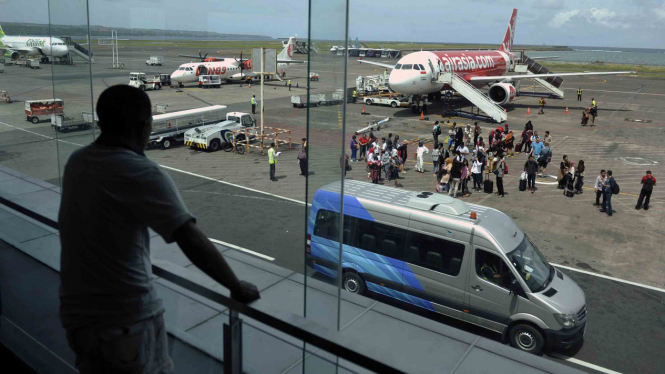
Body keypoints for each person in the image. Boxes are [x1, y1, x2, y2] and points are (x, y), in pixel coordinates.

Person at [59, 86, 259, 374]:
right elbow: (189, 238)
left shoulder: (76, 161)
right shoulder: (140, 171)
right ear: (143, 126)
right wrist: (236, 286)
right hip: (124, 321)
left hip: (77, 314)